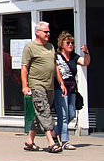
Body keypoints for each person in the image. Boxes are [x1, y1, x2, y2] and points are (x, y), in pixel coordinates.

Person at [22, 21, 64, 153]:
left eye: (49, 32)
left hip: (49, 86)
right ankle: (51, 142)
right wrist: (25, 86)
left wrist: (61, 82)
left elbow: (55, 66)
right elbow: (24, 68)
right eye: (45, 32)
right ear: (37, 32)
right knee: (44, 112)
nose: (48, 34)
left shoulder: (51, 47)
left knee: (40, 113)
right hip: (37, 85)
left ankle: (30, 141)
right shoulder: (30, 47)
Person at [54, 32, 89, 150]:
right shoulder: (56, 56)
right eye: (68, 42)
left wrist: (86, 52)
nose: (70, 45)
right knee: (63, 115)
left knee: (72, 114)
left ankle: (55, 132)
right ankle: (65, 141)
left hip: (72, 88)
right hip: (60, 88)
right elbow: (56, 71)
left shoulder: (74, 56)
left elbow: (85, 62)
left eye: (72, 43)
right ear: (61, 43)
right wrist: (61, 83)